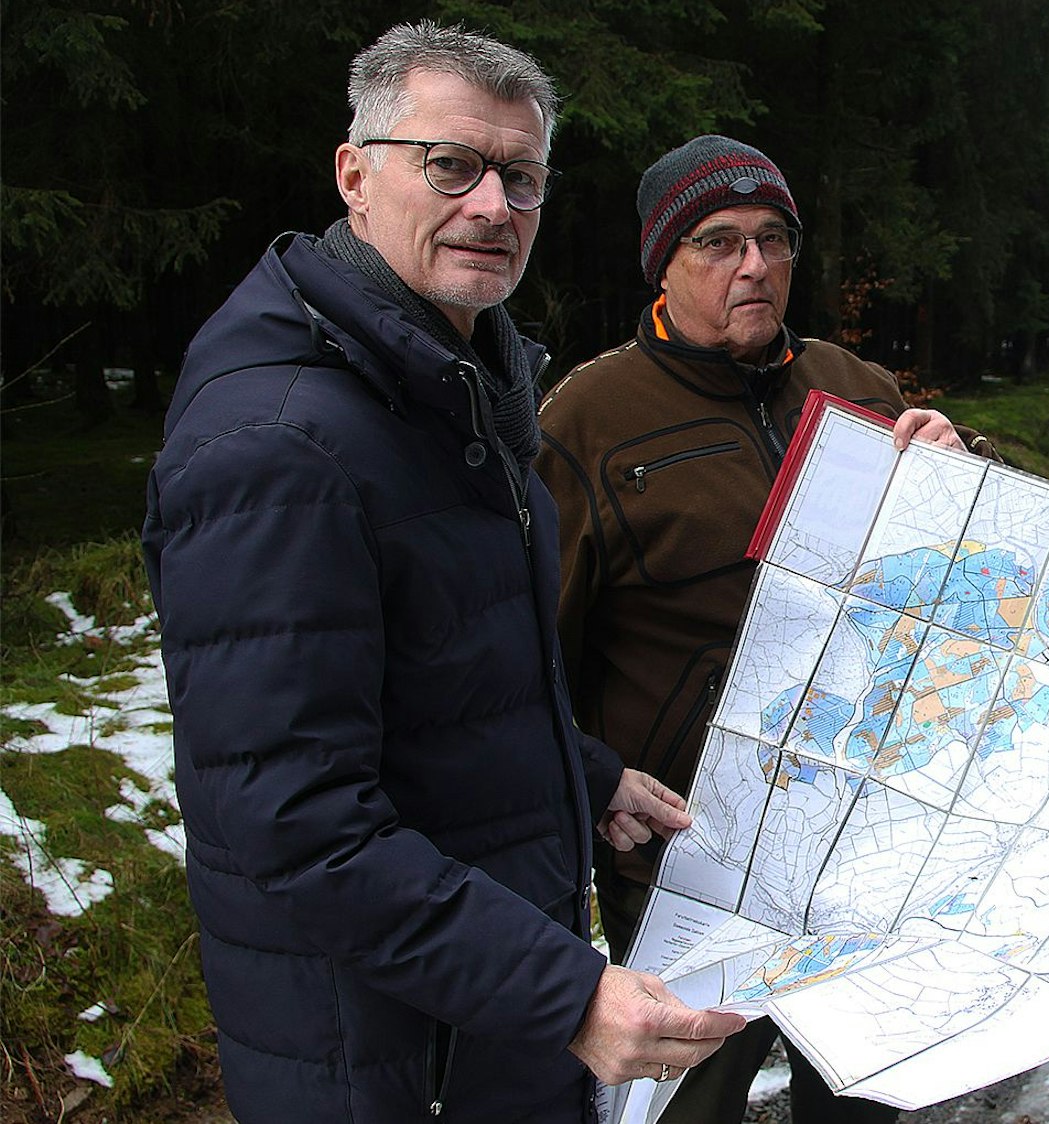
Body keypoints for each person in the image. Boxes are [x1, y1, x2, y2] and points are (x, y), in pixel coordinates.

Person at [142, 22, 744, 1121]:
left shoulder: (450, 389)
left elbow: (439, 678)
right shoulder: (281, 444)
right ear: (354, 175)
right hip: (383, 1061)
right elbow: (294, 821)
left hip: (477, 1027)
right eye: (451, 165)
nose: (492, 206)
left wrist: (581, 773)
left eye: (522, 177)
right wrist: (563, 993)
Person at [535, 134, 1000, 1122]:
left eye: (772, 239)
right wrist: (588, 778)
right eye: (718, 242)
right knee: (682, 1105)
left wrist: (967, 468)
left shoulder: (858, 387)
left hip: (864, 842)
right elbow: (529, 653)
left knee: (864, 1096)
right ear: (663, 263)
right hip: (689, 859)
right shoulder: (585, 420)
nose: (753, 265)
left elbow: (970, 582)